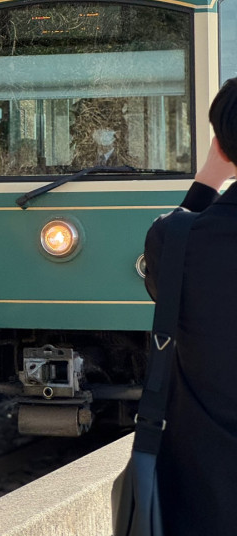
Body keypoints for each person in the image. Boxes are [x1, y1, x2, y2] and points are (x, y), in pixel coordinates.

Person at [144, 77, 237, 536]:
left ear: (219, 146)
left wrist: (206, 182)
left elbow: (164, 283)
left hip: (202, 497)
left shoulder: (174, 239)